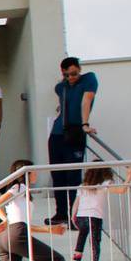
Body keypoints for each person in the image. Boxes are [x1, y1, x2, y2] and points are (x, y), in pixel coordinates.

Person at [47, 57, 98, 224]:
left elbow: (86, 101)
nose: (71, 78)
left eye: (74, 73)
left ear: (79, 69)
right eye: (67, 75)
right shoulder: (61, 87)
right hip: (57, 134)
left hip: (76, 132)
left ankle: (74, 214)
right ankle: (61, 213)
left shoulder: (89, 79)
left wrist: (85, 124)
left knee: (73, 176)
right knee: (58, 175)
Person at [71, 164, 126, 261]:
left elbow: (76, 202)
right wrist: (129, 176)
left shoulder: (82, 185)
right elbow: (122, 190)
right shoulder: (104, 184)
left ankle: (78, 254)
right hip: (94, 216)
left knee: (83, 233)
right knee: (95, 241)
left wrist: (73, 216)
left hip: (81, 215)